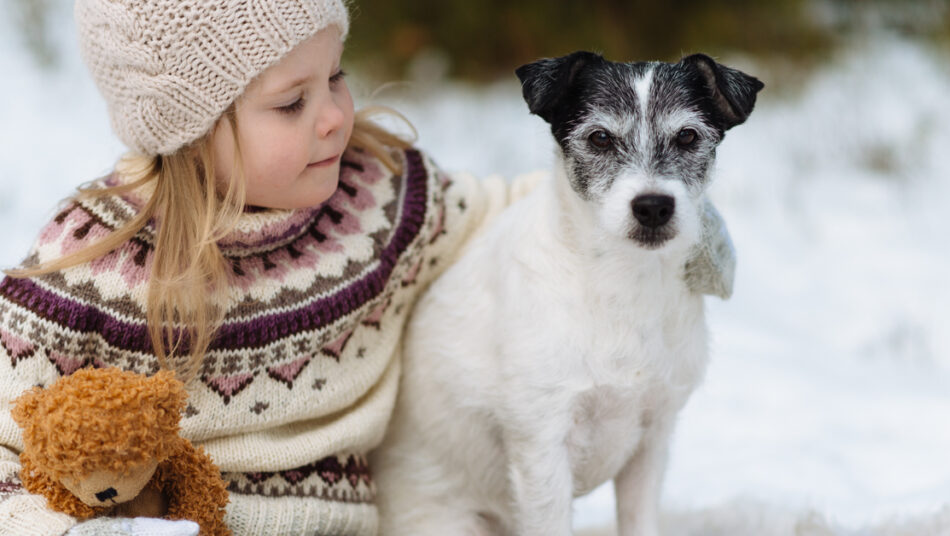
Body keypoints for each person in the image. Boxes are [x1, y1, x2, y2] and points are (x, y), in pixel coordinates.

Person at [0, 1, 736, 535]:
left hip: (359, 521)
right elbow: (8, 434)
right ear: (188, 139)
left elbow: (499, 209)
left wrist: (661, 217)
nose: (332, 117)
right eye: (291, 102)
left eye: (337, 76)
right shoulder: (94, 266)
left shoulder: (377, 197)